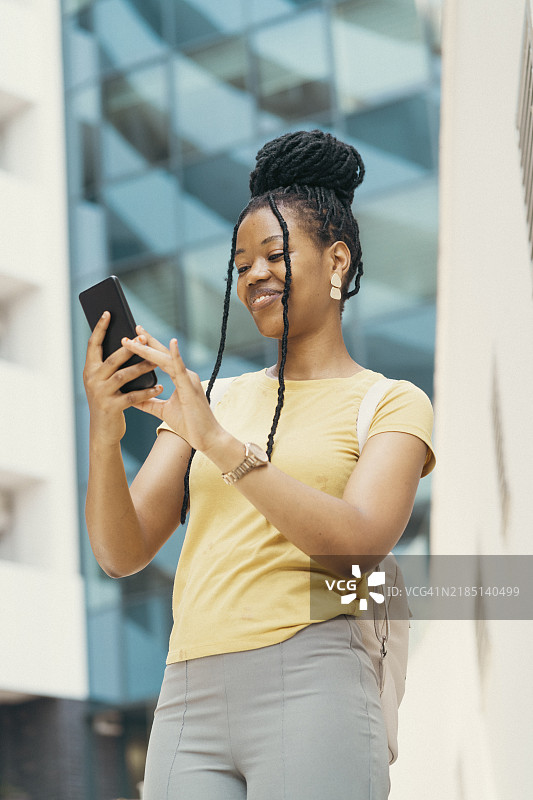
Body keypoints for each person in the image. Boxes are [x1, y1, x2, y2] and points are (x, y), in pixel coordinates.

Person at [82, 129, 436, 799]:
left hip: (313, 676)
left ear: (336, 263)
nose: (253, 276)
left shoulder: (388, 403)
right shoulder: (213, 398)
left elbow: (359, 544)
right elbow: (121, 551)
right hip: (187, 689)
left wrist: (218, 443)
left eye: (275, 255)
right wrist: (106, 430)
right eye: (240, 264)